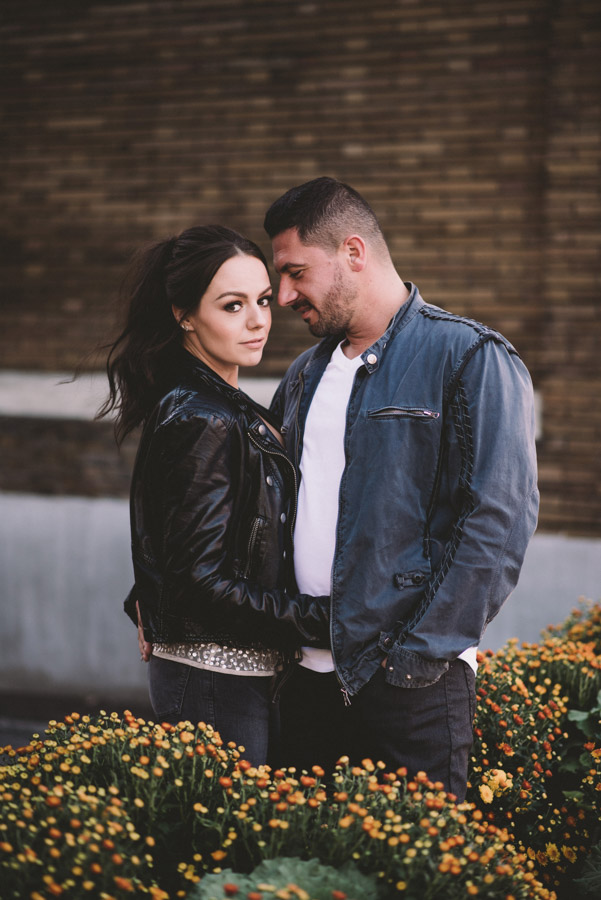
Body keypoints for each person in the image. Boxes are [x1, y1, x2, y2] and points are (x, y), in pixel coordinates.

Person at [264, 177, 539, 799]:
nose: (282, 296)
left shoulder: (469, 356)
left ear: (353, 253)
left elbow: (498, 518)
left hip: (409, 689)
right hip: (305, 680)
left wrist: (415, 659)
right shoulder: (305, 375)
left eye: (296, 273)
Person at [99, 225, 329, 766]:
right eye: (232, 305)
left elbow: (191, 546)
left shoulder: (224, 405)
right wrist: (326, 621)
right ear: (184, 314)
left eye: (264, 300)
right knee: (219, 850)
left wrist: (147, 596)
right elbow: (199, 581)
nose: (258, 321)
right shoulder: (204, 417)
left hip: (235, 676)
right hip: (214, 682)